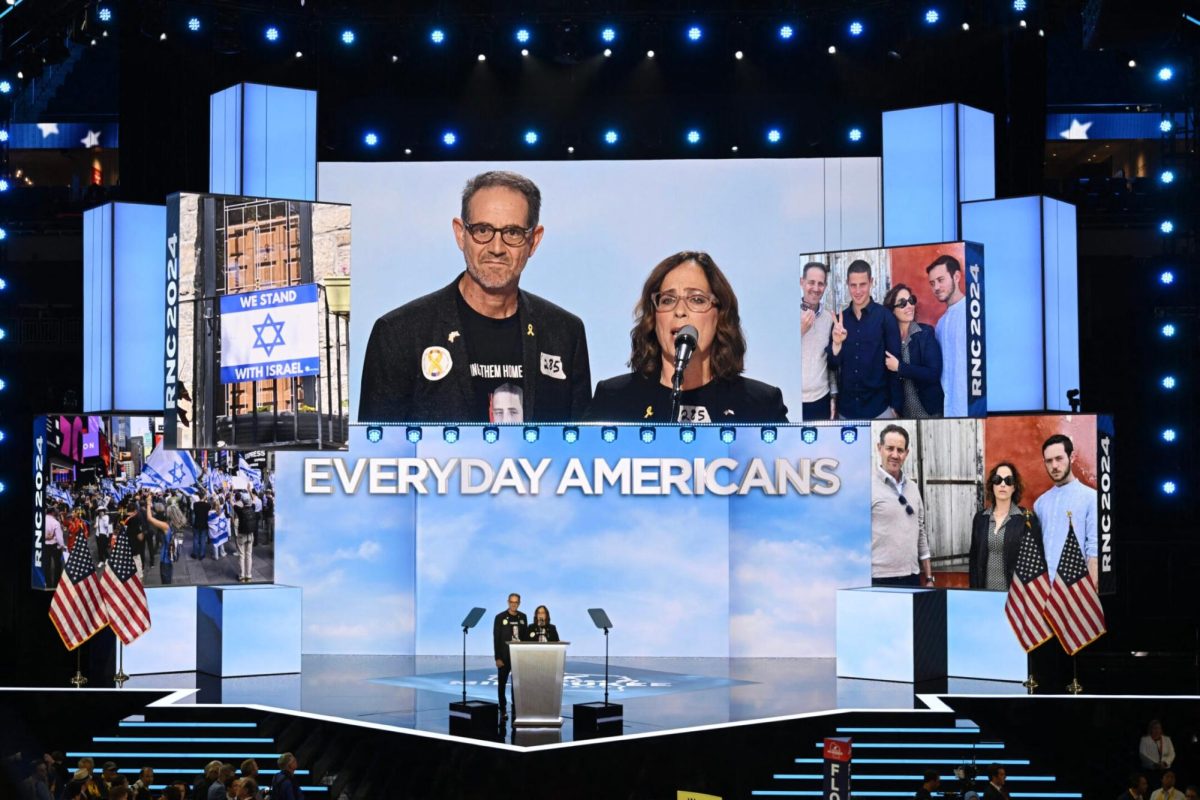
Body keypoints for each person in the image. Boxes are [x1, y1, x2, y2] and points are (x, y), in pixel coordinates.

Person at [360, 170, 592, 422]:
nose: (496, 248)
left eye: (513, 233)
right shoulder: (399, 333)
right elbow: (377, 452)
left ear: (534, 241)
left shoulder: (565, 334)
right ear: (461, 234)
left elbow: (579, 450)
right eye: (482, 230)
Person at [586, 251, 788, 423]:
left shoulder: (761, 405)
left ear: (720, 316)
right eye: (667, 300)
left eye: (697, 299)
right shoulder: (614, 399)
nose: (680, 311)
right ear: (654, 317)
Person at [827, 259, 901, 419]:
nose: (858, 290)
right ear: (847, 284)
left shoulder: (885, 317)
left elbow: (895, 363)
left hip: (879, 409)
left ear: (871, 282)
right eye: (853, 285)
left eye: (863, 284)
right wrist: (837, 344)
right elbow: (832, 365)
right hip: (846, 411)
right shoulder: (840, 321)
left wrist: (896, 405)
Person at [871, 424, 933, 587]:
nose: (895, 455)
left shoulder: (912, 487)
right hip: (878, 579)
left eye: (900, 450)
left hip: (912, 577)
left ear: (906, 453)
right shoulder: (866, 486)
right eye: (889, 448)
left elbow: (920, 532)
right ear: (879, 448)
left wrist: (928, 578)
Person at [1034, 434, 1098, 587]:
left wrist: (1086, 592)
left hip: (1075, 591)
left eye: (1059, 458)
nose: (1054, 465)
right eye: (1049, 461)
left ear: (1072, 457)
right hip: (1043, 591)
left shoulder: (1091, 498)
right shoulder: (1040, 503)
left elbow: (1094, 552)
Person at [969, 463, 1041, 590]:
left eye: (1009, 481)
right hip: (984, 594)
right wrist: (974, 593)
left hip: (1015, 597)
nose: (1003, 484)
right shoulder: (980, 518)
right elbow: (974, 561)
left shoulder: (1026, 518)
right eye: (998, 480)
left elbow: (1034, 564)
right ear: (992, 485)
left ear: (1014, 487)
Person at [882, 283, 943, 417]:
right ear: (892, 310)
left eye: (911, 301)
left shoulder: (925, 333)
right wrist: (892, 406)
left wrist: (900, 367)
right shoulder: (887, 340)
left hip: (928, 410)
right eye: (902, 303)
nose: (909, 306)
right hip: (901, 413)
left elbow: (933, 373)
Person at [927, 254, 968, 417]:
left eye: (941, 280)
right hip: (948, 409)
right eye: (932, 283)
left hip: (971, 406)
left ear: (956, 276)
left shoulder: (974, 313)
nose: (936, 287)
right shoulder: (941, 324)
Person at [800, 260, 837, 420]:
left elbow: (829, 361)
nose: (816, 288)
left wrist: (833, 395)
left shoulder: (829, 318)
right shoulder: (786, 314)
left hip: (821, 398)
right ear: (802, 282)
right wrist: (799, 330)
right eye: (811, 283)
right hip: (792, 397)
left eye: (820, 284)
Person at [493, 592, 528, 721]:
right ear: (508, 602)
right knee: (502, 684)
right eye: (511, 602)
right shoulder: (500, 617)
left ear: (519, 603)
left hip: (518, 657)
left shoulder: (523, 617)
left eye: (516, 602)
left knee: (516, 685)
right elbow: (496, 638)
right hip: (504, 657)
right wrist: (497, 657)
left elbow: (524, 638)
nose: (514, 605)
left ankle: (515, 710)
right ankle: (502, 709)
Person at [144, 496, 174, 585]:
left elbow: (149, 518)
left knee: (166, 583)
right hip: (170, 558)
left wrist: (148, 503)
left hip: (165, 560)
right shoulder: (175, 525)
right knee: (168, 580)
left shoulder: (166, 526)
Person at [235, 491, 257, 583]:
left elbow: (234, 504)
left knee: (241, 555)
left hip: (242, 535)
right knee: (249, 555)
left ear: (243, 502)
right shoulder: (253, 508)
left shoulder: (240, 510)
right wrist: (249, 490)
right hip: (250, 535)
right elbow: (254, 500)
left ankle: (242, 576)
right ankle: (249, 576)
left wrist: (232, 493)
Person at [43, 504, 66, 589]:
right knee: (57, 565)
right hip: (55, 546)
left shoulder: (42, 520)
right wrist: (62, 546)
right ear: (52, 512)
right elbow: (59, 537)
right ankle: (56, 584)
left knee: (46, 565)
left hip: (45, 546)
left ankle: (48, 584)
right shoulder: (55, 522)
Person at [191, 493, 210, 560]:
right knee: (203, 539)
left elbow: (195, 512)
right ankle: (202, 554)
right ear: (204, 497)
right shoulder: (207, 505)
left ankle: (195, 554)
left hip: (197, 523)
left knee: (196, 539)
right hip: (204, 524)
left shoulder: (195, 504)